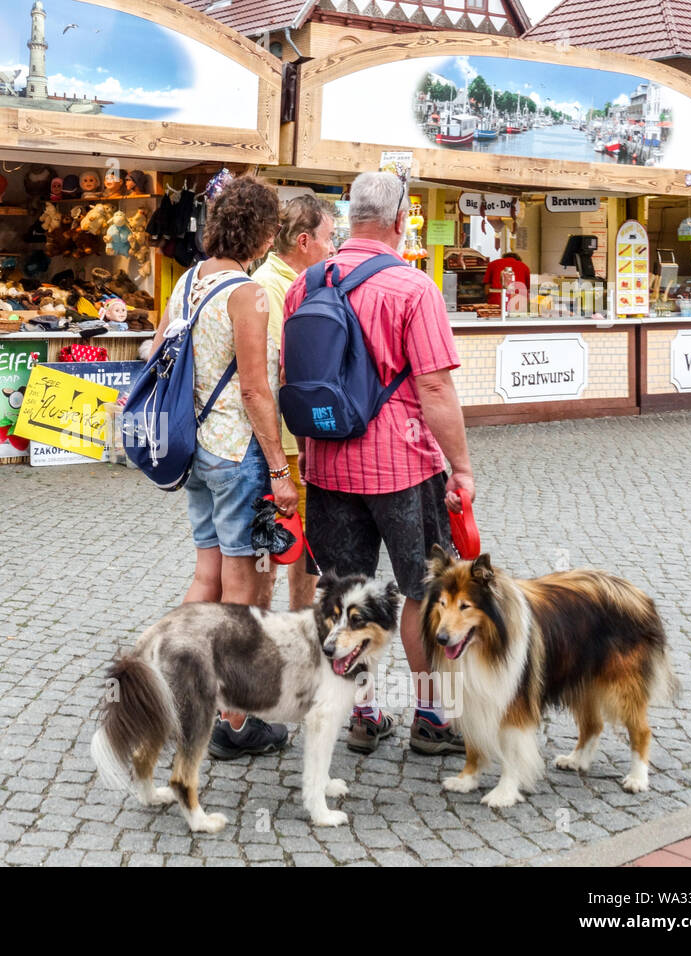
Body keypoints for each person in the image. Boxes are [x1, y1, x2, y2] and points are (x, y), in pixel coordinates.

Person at [283, 171, 475, 756]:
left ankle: (363, 713)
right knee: (421, 590)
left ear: (347, 219)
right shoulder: (414, 288)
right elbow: (435, 389)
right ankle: (430, 717)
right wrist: (461, 466)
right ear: (400, 219)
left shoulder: (305, 284)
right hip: (402, 464)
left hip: (327, 463)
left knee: (345, 591)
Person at [148, 175, 299, 761]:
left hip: (195, 451)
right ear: (263, 233)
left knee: (205, 572)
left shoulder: (187, 281)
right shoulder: (248, 293)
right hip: (237, 454)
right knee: (241, 588)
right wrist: (281, 470)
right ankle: (236, 720)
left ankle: (180, 687)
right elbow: (258, 392)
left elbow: (158, 351)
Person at [251, 194, 335, 612]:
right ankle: (267, 633)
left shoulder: (301, 283)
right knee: (273, 546)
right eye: (328, 238)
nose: (333, 247)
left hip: (298, 437)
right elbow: (270, 375)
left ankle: (301, 625)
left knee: (305, 544)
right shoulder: (271, 285)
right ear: (304, 241)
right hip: (283, 442)